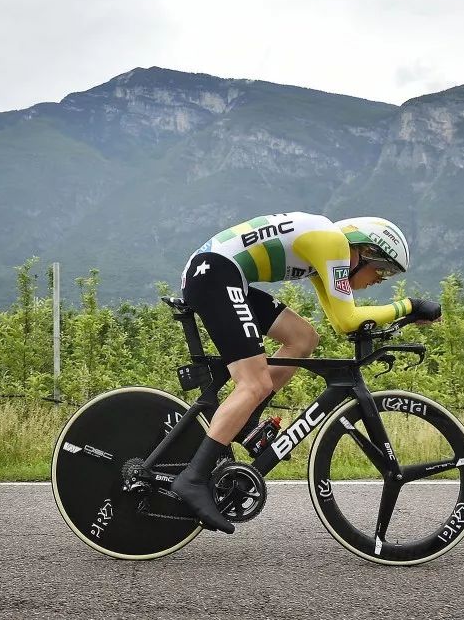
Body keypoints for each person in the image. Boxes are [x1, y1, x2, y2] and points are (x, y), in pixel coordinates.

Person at [171, 212, 442, 533]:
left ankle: (245, 422)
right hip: (215, 273)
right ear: (364, 251)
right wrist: (410, 306)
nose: (378, 281)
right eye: (380, 271)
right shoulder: (332, 243)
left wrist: (384, 323)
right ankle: (193, 477)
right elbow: (347, 319)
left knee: (303, 338)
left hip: (222, 274)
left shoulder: (324, 251)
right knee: (253, 382)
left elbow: (340, 322)